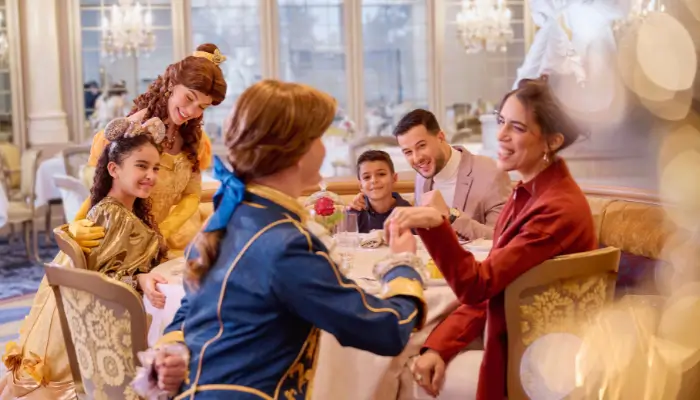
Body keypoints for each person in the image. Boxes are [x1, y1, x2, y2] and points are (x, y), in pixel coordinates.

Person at [142, 80, 428, 399]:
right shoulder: (286, 242)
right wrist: (402, 265)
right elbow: (386, 330)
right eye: (319, 137)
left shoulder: (226, 219)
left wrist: (172, 347)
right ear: (297, 152)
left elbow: (193, 309)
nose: (324, 147)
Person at [386, 77, 597, 399]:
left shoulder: (555, 209)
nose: (500, 135)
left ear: (552, 141)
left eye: (517, 127)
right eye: (501, 121)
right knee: (407, 355)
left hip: (534, 359)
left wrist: (437, 224)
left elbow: (479, 286)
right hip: (509, 333)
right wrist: (439, 347)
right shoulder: (527, 195)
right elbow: (493, 289)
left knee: (402, 371)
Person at [0, 117, 171, 400]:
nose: (151, 175)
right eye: (141, 166)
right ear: (114, 169)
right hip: (96, 330)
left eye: (155, 168)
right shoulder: (113, 215)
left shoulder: (122, 211)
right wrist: (139, 279)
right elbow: (98, 284)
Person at [72, 43, 228, 256]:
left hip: (161, 243)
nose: (192, 111)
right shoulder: (136, 129)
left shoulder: (196, 141)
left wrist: (161, 232)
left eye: (202, 106)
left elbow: (192, 195)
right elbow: (103, 185)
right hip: (117, 240)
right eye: (189, 98)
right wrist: (74, 225)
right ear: (172, 84)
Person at [349, 108, 511, 241]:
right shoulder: (422, 177)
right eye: (408, 152)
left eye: (421, 146)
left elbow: (502, 238)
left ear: (441, 137)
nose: (416, 158)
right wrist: (367, 200)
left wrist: (451, 215)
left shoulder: (491, 173)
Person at [351, 149, 411, 233]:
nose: (374, 180)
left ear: (394, 178)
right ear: (361, 185)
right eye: (367, 177)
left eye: (381, 174)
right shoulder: (354, 214)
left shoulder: (409, 213)